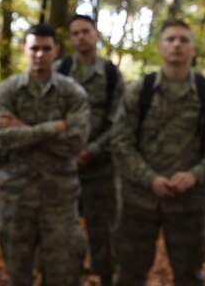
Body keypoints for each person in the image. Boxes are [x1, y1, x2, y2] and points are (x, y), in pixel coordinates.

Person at [113, 18, 205, 286]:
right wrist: (149, 179)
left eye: (183, 40)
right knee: (129, 274)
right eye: (170, 39)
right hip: (139, 202)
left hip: (188, 205)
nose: (177, 44)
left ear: (193, 48)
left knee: (189, 276)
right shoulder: (139, 92)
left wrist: (194, 175)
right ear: (159, 46)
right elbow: (121, 143)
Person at [0, 23, 90, 286]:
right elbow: (3, 137)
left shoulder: (72, 93)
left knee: (62, 275)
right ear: (24, 49)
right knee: (17, 275)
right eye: (34, 48)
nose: (39, 54)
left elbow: (75, 142)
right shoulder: (7, 91)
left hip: (59, 200)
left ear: (56, 51)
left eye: (46, 49)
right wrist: (53, 128)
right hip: (16, 198)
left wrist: (25, 129)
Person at [55, 14, 125, 286]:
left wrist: (90, 151)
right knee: (62, 231)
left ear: (95, 34)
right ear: (71, 38)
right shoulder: (59, 70)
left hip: (101, 171)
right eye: (75, 33)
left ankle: (105, 278)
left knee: (104, 234)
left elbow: (118, 123)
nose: (81, 37)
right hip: (62, 168)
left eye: (86, 31)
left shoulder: (109, 73)